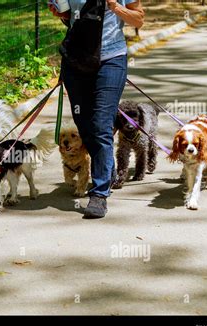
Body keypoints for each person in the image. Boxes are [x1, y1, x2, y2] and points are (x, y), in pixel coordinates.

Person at [50, 0, 145, 219]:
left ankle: (99, 193)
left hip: (111, 59)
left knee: (101, 124)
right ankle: (107, 166)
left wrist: (115, 6)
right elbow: (72, 19)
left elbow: (138, 18)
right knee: (84, 126)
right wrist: (62, 15)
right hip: (76, 60)